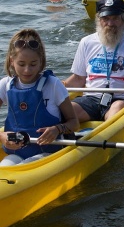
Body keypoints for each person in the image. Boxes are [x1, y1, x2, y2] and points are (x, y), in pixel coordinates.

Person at [62, 0, 124, 123]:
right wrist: (56, 87)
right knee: (64, 112)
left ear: (123, 20)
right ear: (99, 20)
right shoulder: (86, 42)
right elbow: (78, 79)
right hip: (90, 99)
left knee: (117, 109)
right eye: (106, 19)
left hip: (121, 98)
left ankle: (107, 134)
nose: (110, 23)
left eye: (115, 18)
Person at [0, 29, 79, 166]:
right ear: (12, 61)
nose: (27, 70)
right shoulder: (5, 85)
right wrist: (2, 136)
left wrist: (57, 129)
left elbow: (74, 123)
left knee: (23, 168)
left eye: (33, 64)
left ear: (41, 61)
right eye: (21, 64)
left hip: (49, 152)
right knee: (5, 168)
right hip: (17, 153)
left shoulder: (53, 85)